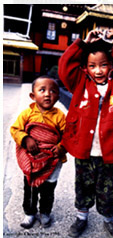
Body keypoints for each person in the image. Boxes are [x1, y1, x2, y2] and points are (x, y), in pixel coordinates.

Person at [58, 28, 113, 238]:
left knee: (107, 190)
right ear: (86, 67)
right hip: (84, 149)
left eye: (103, 65)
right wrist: (82, 44)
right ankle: (81, 218)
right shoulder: (79, 82)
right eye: (92, 66)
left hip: (110, 150)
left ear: (112, 65)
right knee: (82, 186)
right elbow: (64, 68)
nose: (98, 70)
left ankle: (108, 219)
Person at [10, 76, 66, 229]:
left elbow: (68, 135)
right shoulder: (27, 114)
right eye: (42, 90)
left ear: (58, 97)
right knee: (31, 187)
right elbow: (15, 129)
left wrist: (61, 146)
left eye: (53, 91)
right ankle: (29, 213)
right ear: (33, 96)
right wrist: (26, 138)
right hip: (32, 159)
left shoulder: (60, 116)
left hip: (52, 159)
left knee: (48, 189)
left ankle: (45, 212)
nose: (48, 94)